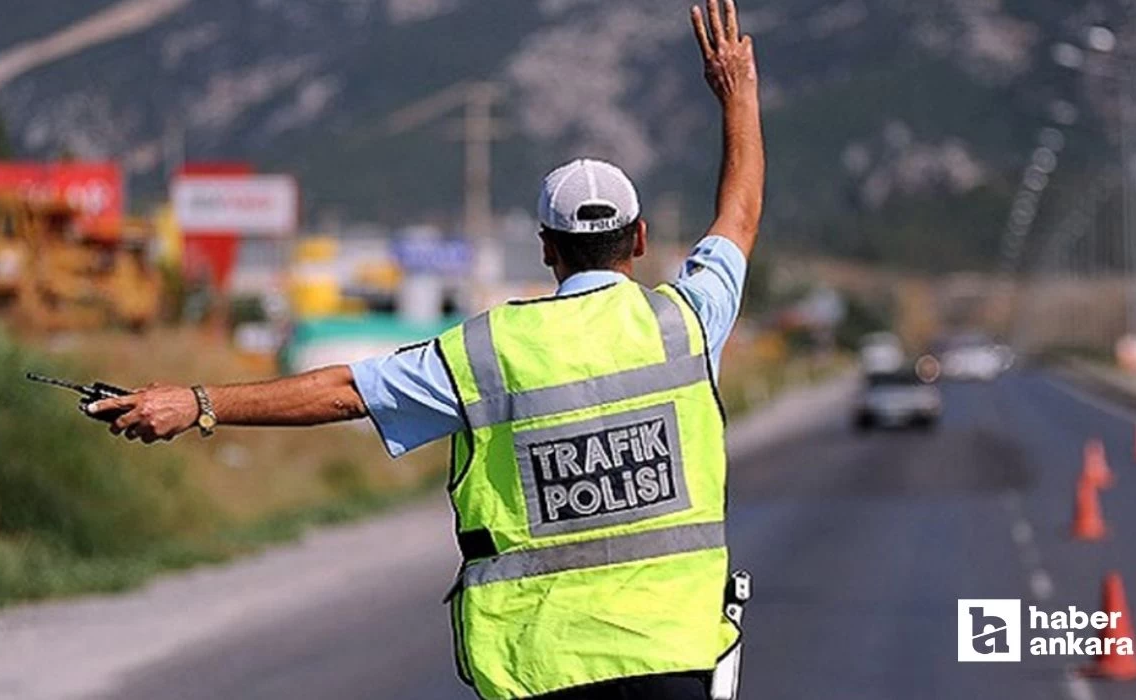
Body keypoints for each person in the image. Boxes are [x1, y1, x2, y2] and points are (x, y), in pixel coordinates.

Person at [90, 1, 763, 698]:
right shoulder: (685, 324)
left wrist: (197, 403)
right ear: (642, 238)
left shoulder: (488, 352)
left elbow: (345, 391)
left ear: (545, 248)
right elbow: (738, 217)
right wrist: (737, 93)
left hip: (545, 671)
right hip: (675, 661)